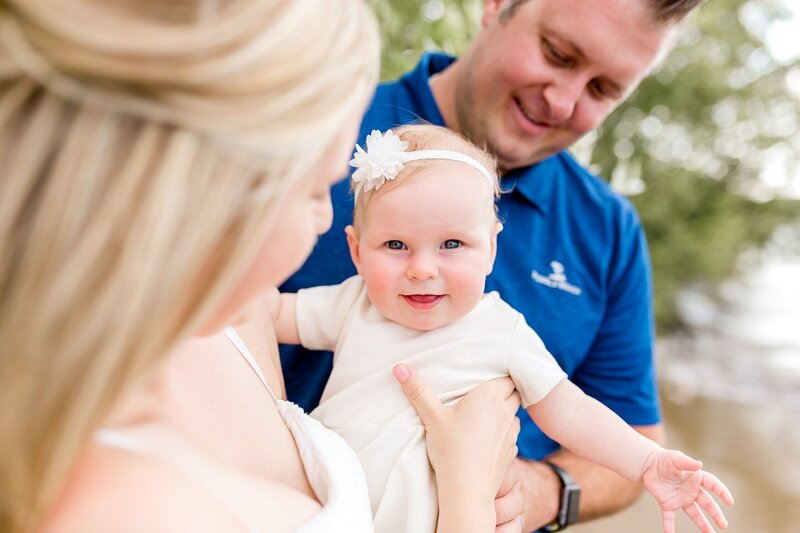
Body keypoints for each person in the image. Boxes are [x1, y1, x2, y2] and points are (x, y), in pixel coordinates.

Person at [0, 1, 520, 532]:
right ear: (214, 187)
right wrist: (467, 494)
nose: (325, 222)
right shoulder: (116, 504)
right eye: (317, 189)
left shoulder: (237, 321)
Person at [279, 0, 709, 530]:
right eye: (557, 53)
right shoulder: (309, 124)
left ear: (492, 245)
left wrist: (536, 493)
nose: (563, 100)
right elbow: (218, 317)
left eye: (603, 90)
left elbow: (594, 420)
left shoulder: (605, 234)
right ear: (497, 5)